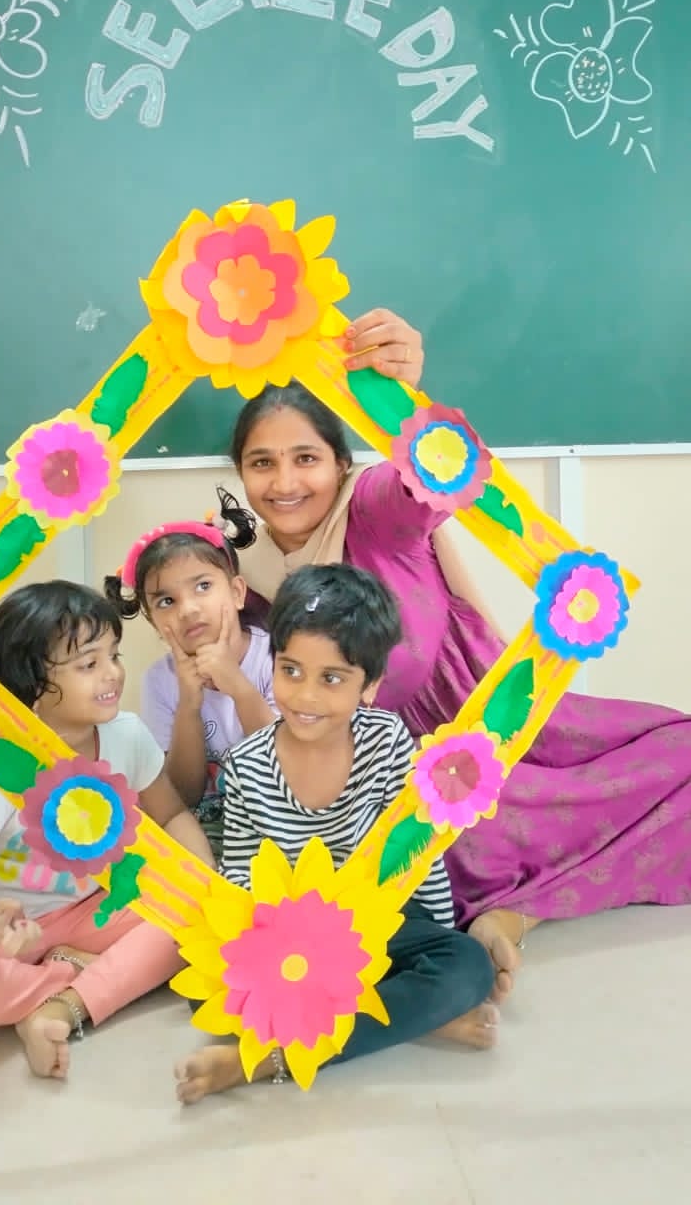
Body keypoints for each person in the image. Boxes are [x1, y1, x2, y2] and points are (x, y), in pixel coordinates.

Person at [226, 329, 691, 1003]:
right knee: (450, 856)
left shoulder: (373, 509)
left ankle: (518, 912)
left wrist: (404, 401)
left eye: (306, 458)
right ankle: (514, 910)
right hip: (406, 780)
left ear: (341, 463)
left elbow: (424, 480)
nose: (285, 483)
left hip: (500, 722)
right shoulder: (250, 579)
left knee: (679, 754)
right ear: (240, 474)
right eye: (261, 463)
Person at [175, 564, 496, 1103]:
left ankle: (272, 1056)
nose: (305, 696)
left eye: (331, 678)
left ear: (369, 685)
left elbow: (417, 853)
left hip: (376, 925)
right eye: (291, 670)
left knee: (466, 966)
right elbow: (241, 878)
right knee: (206, 984)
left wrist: (439, 933)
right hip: (290, 942)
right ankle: (412, 1017)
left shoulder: (387, 740)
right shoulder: (246, 764)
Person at [0, 580, 214, 1081]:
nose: (113, 674)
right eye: (88, 664)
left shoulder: (126, 734)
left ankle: (62, 1008)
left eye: (114, 656)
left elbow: (170, 815)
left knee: (195, 920)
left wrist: (204, 884)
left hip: (92, 910)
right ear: (31, 683)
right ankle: (73, 971)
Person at [105, 509, 275, 857]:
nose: (187, 609)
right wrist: (189, 704)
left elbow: (286, 767)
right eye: (166, 601)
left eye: (203, 586)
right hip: (206, 828)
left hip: (277, 820)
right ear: (153, 621)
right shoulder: (160, 680)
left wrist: (238, 686)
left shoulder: (276, 657)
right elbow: (183, 795)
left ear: (237, 592)